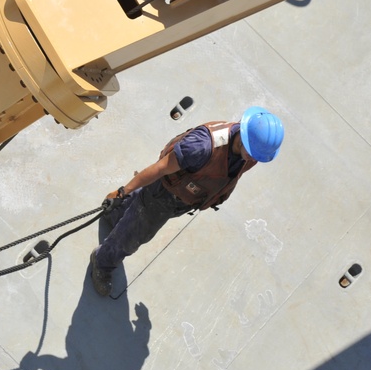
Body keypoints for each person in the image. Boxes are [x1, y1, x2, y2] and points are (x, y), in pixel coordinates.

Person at [90, 107, 284, 296]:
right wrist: (123, 191)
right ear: (244, 135)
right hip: (163, 193)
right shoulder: (202, 147)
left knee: (134, 217)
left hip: (184, 198)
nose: (253, 159)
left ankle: (116, 215)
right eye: (253, 153)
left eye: (258, 156)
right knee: (133, 235)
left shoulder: (251, 150)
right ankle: (102, 261)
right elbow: (160, 169)